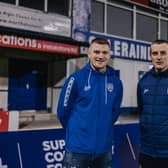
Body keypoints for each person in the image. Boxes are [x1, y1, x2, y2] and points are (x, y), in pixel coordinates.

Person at [57, 37, 123, 168]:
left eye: (104, 53)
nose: (100, 56)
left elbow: (114, 113)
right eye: (96, 52)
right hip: (77, 150)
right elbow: (63, 112)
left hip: (104, 151)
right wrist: (77, 132)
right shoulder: (75, 79)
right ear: (89, 54)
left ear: (109, 55)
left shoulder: (116, 82)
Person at [137, 39, 168, 168]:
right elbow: (141, 110)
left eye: (163, 53)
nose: (159, 57)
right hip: (147, 151)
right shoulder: (144, 81)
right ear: (150, 56)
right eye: (155, 53)